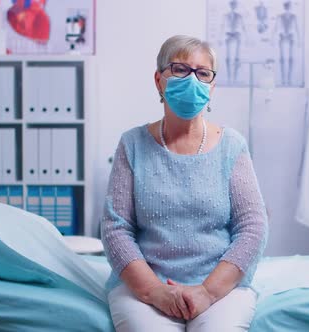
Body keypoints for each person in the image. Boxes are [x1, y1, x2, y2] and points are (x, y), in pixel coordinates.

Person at [101, 35, 268, 332]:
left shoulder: (232, 146)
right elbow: (116, 229)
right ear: (158, 80)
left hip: (220, 288)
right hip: (144, 288)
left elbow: (253, 228)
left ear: (212, 87)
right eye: (180, 69)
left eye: (203, 73)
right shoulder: (132, 144)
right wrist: (154, 291)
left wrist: (207, 291)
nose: (192, 80)